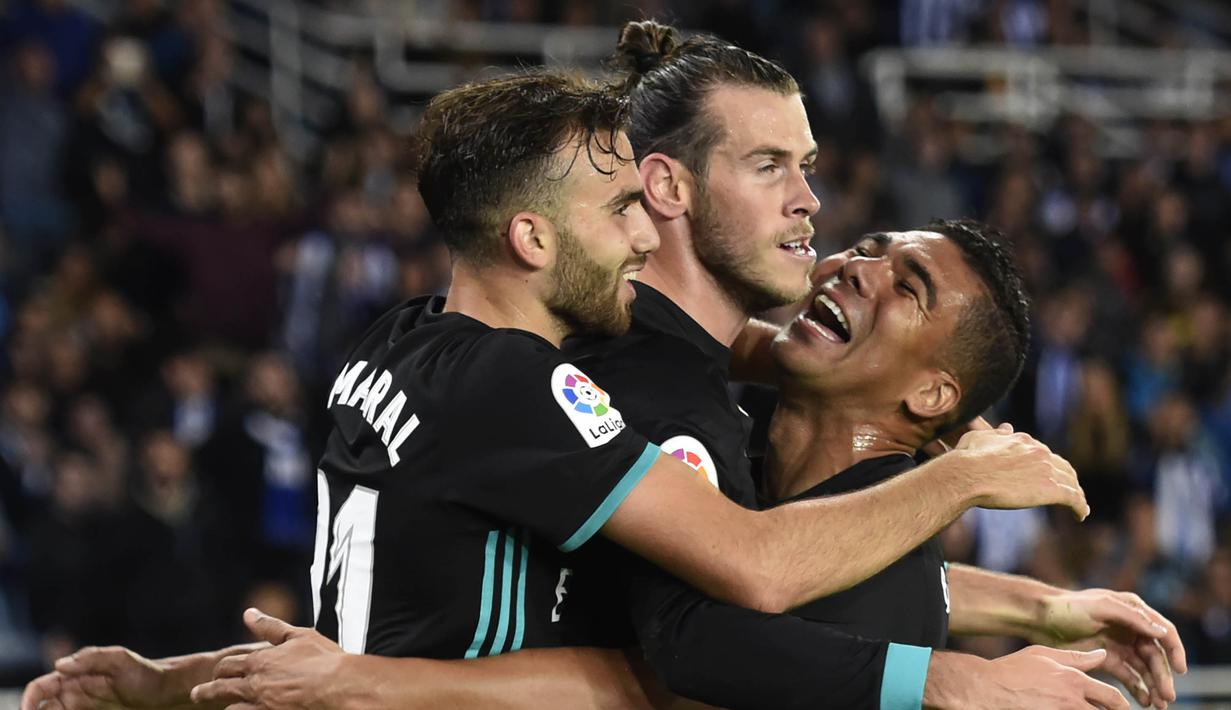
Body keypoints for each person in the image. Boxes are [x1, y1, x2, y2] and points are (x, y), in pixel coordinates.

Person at [26, 49, 1100, 710]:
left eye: (808, 167)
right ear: (539, 236)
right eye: (771, 166)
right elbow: (707, 631)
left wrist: (180, 681)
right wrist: (962, 488)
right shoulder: (569, 392)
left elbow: (380, 627)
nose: (810, 207)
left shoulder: (399, 338)